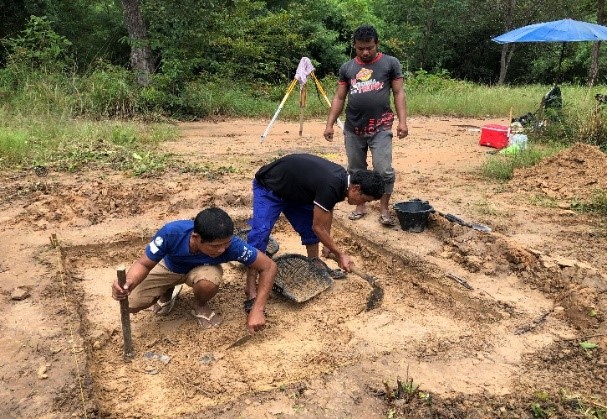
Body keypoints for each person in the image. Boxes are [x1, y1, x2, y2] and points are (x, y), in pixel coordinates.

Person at [244, 153, 384, 311]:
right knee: (260, 234)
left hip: (295, 192)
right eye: (365, 199)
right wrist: (340, 254)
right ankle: (250, 286)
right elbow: (318, 228)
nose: (363, 203)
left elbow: (327, 208)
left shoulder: (343, 182)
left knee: (307, 224)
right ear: (356, 189)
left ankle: (314, 263)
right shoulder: (332, 184)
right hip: (270, 188)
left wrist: (328, 244)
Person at [111, 207, 277, 334]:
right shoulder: (172, 233)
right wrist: (129, 282)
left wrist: (257, 309)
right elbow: (144, 264)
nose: (221, 250)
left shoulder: (232, 246)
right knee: (131, 303)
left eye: (225, 244)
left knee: (208, 282)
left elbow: (268, 266)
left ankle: (200, 304)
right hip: (170, 266)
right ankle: (167, 290)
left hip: (202, 270)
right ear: (196, 238)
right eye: (215, 246)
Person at [323, 24, 409, 227]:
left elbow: (398, 93)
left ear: (377, 44)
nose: (365, 51)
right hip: (353, 128)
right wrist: (329, 124)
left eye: (369, 47)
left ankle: (384, 208)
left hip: (381, 127)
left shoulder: (390, 63)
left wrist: (403, 121)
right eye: (361, 48)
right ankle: (360, 205)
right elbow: (339, 97)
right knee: (355, 169)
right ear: (354, 46)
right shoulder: (347, 68)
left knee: (384, 170)